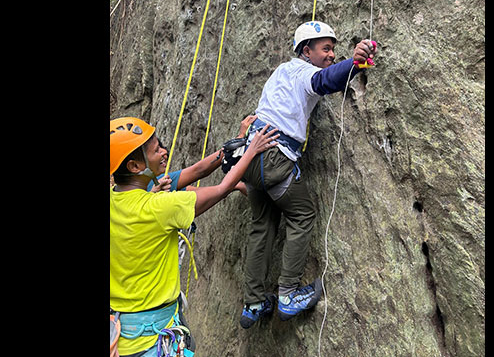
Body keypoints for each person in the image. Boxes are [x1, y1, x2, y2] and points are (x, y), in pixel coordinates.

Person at [238, 20, 377, 328]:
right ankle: (287, 294)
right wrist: (353, 63)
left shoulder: (281, 73)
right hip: (275, 156)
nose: (330, 54)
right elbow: (325, 81)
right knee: (302, 214)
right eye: (326, 49)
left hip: (252, 155)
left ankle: (254, 302)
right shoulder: (304, 73)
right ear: (306, 51)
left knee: (262, 226)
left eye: (333, 50)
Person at [110, 115, 280, 357]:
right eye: (157, 150)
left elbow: (198, 170)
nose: (164, 151)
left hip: (123, 338)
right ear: (135, 167)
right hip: (155, 338)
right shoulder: (160, 207)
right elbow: (221, 189)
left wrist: (235, 144)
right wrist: (251, 150)